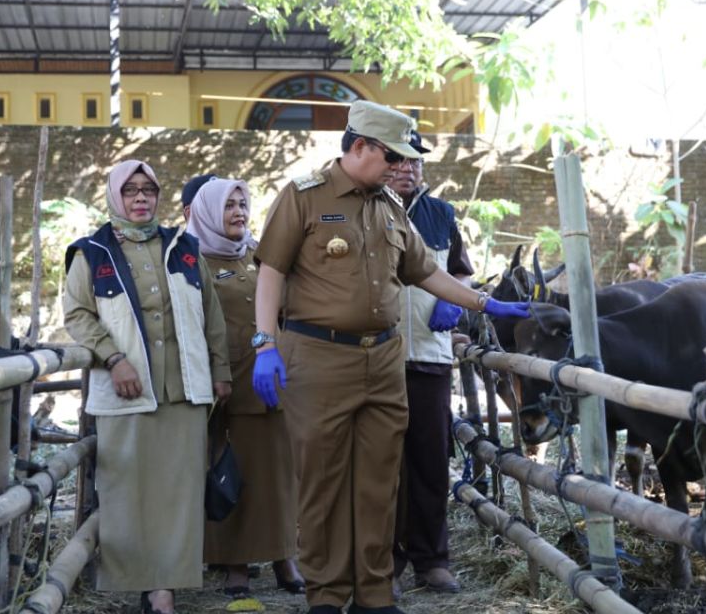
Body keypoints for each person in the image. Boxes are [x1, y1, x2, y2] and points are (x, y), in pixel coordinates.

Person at [251, 100, 530, 614]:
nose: (403, 167)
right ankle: (328, 595)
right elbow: (271, 271)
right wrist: (264, 343)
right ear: (360, 147)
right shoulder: (303, 198)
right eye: (394, 157)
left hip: (382, 361)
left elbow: (426, 273)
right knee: (323, 484)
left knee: (381, 483)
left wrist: (483, 301)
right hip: (318, 356)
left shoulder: (389, 207)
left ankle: (375, 593)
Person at [63, 160, 232, 614]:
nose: (141, 198)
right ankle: (138, 579)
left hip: (184, 387)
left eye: (149, 190)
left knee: (179, 491)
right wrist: (112, 358)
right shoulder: (92, 252)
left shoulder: (184, 246)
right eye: (131, 191)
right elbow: (77, 314)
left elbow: (210, 314)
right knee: (126, 489)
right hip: (127, 391)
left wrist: (221, 371)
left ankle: (165, 590)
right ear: (115, 197)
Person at [187, 178, 305, 596]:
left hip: (273, 381)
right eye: (228, 206)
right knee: (231, 473)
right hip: (224, 385)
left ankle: (283, 557)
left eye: (242, 204)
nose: (238, 212)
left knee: (278, 475)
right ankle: (235, 564)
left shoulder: (260, 256)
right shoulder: (190, 260)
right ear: (206, 212)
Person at [388, 134, 471, 595]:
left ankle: (432, 560)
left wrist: (454, 304)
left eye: (415, 162)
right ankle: (387, 564)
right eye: (397, 161)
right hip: (378, 357)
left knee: (430, 463)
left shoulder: (441, 214)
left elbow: (460, 270)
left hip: (430, 358)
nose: (407, 169)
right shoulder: (370, 210)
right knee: (383, 466)